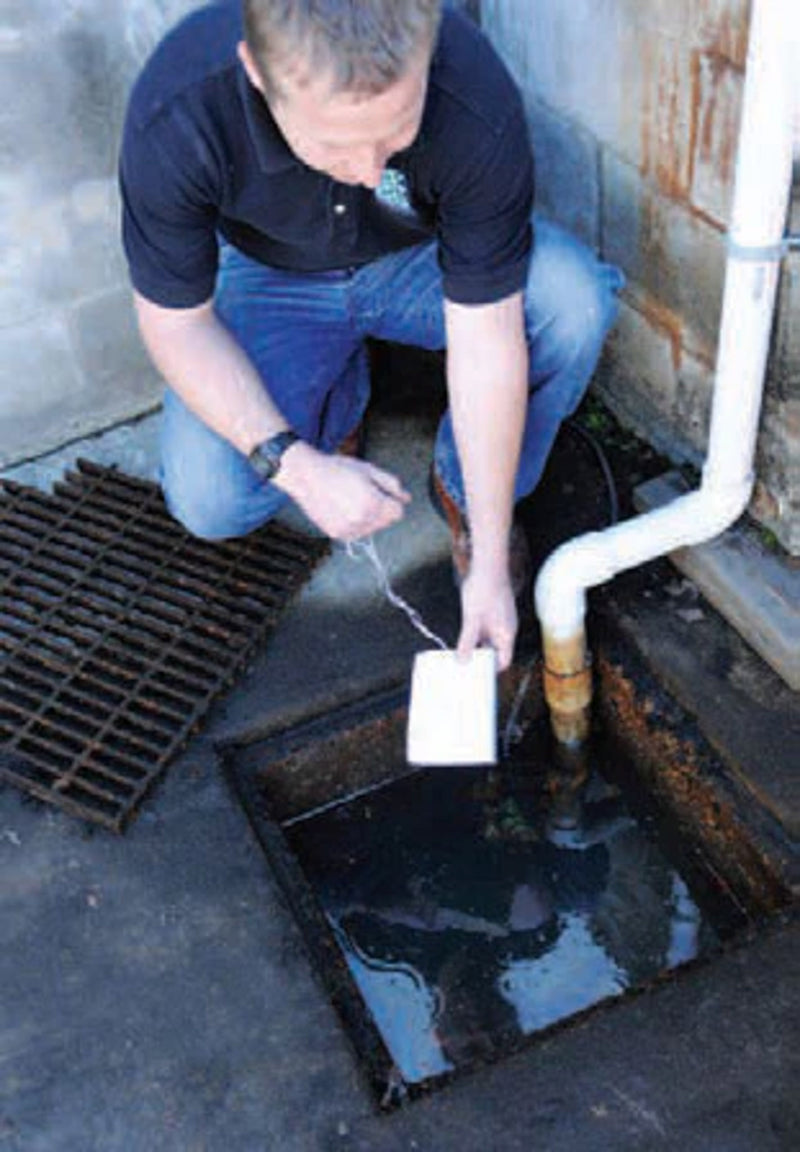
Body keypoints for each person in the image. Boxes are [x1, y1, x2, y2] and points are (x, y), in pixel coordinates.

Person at [120, 0, 624, 672]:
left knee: (573, 302)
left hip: (416, 263)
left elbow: (488, 334)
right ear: (259, 77)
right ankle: (335, 398)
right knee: (211, 500)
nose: (365, 171)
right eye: (332, 143)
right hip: (269, 277)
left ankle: (464, 491)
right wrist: (296, 466)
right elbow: (177, 325)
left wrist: (492, 557)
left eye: (393, 134)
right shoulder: (180, 112)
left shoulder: (468, 89)